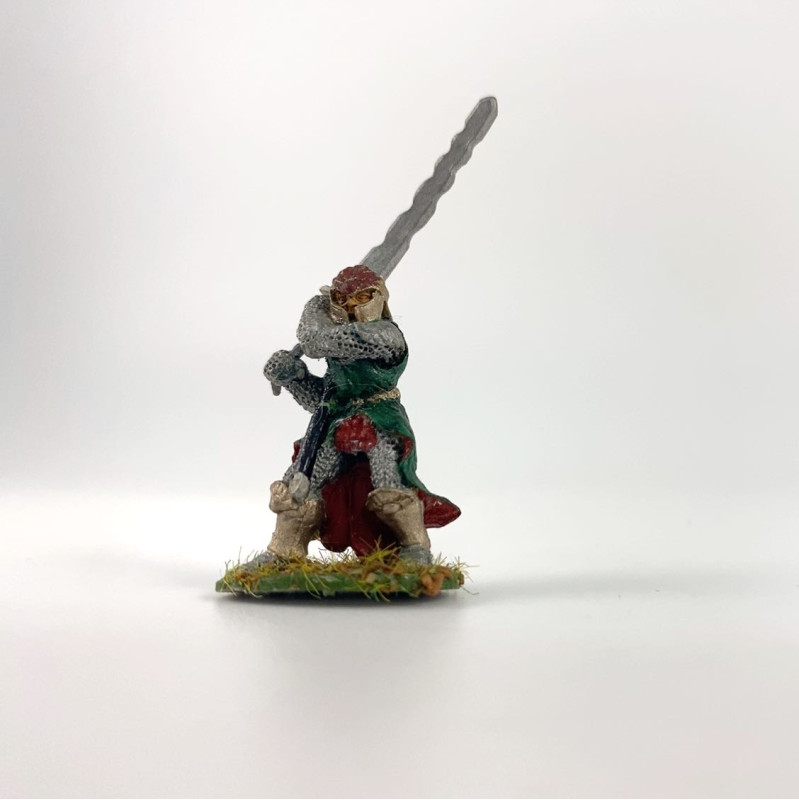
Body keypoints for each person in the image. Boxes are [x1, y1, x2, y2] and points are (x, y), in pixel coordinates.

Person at [254, 265, 460, 566]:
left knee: (387, 480)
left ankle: (415, 548)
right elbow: (325, 399)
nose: (350, 307)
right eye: (341, 299)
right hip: (335, 421)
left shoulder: (386, 336)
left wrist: (317, 305)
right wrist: (294, 377)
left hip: (380, 419)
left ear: (379, 299)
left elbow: (317, 340)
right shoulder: (335, 343)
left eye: (361, 298)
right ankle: (283, 551)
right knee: (304, 480)